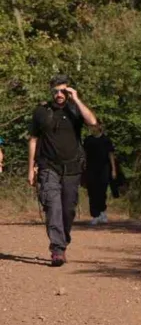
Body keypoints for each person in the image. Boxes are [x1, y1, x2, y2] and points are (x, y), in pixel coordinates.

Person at [28, 74, 98, 266]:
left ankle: (63, 240)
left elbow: (93, 122)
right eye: (56, 91)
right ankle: (57, 250)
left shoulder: (75, 109)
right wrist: (30, 169)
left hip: (72, 168)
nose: (59, 94)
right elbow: (33, 140)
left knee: (68, 209)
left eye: (63, 91)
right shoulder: (41, 111)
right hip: (48, 167)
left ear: (68, 91)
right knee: (53, 207)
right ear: (51, 91)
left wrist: (76, 99)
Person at [83, 124, 117, 225]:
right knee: (92, 191)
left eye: (94, 126)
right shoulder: (88, 140)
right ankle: (95, 215)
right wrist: (83, 167)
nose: (92, 128)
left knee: (102, 190)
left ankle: (102, 212)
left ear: (99, 127)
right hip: (91, 169)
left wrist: (113, 169)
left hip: (104, 169)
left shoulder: (106, 140)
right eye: (91, 127)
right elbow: (84, 154)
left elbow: (111, 155)